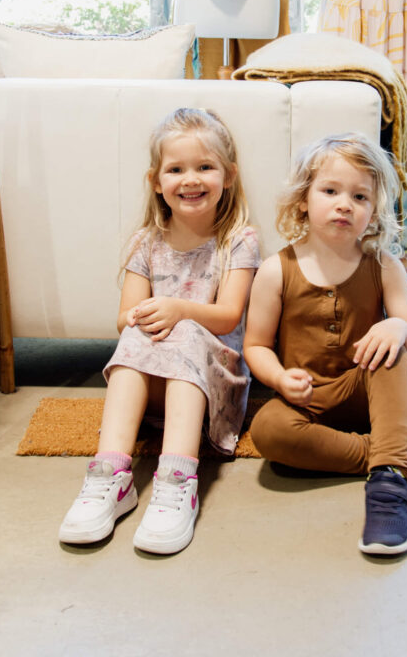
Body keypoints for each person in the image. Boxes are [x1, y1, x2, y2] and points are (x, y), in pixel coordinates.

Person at [244, 133, 407, 556]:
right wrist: (277, 377)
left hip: (366, 391)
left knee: (393, 352)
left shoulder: (384, 266)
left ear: (374, 212)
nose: (345, 203)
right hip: (305, 402)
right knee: (267, 432)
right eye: (330, 191)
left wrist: (399, 328)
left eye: (360, 196)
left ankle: (389, 487)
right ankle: (403, 452)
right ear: (303, 199)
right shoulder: (275, 270)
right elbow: (255, 345)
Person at [59, 108, 260, 554]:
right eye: (176, 169)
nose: (191, 179)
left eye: (205, 167)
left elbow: (228, 317)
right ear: (156, 180)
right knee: (133, 334)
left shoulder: (238, 240)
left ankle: (177, 480)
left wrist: (178, 311)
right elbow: (123, 317)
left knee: (187, 332)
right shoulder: (146, 242)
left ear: (228, 176)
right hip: (155, 384)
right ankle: (109, 475)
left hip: (211, 386)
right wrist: (148, 316)